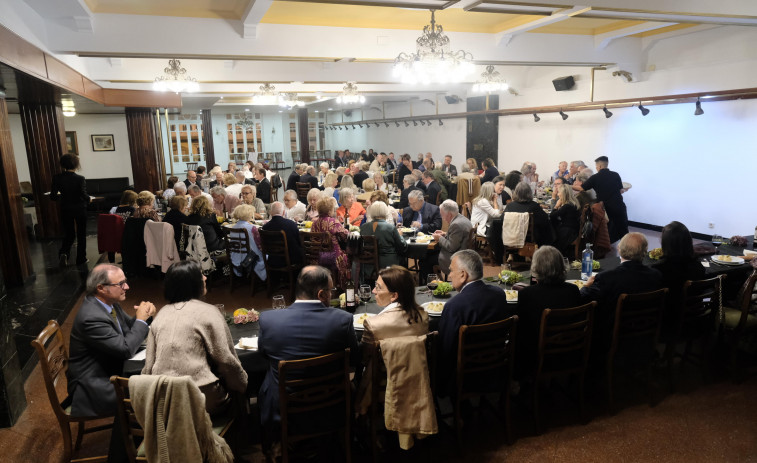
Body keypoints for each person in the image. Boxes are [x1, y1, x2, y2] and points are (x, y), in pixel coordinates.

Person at [258, 266, 359, 430]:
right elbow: (354, 359)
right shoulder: (343, 320)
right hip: (332, 406)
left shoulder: (268, 320)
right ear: (321, 294)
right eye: (331, 290)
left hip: (285, 411)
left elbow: (263, 354)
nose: (332, 293)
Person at [142, 260, 247, 416]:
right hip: (201, 398)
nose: (205, 278)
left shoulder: (161, 315)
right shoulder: (209, 311)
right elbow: (226, 359)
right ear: (191, 283)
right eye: (201, 275)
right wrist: (242, 383)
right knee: (240, 391)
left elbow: (148, 366)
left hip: (166, 403)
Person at [67, 264, 155, 416]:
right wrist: (141, 321)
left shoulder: (109, 303)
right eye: (120, 284)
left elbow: (129, 330)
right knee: (154, 394)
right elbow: (125, 349)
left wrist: (146, 316)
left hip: (109, 367)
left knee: (155, 378)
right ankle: (132, 437)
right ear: (101, 288)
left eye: (125, 281)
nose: (126, 287)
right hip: (92, 386)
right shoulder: (91, 318)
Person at [356, 265, 429, 414]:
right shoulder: (424, 316)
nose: (374, 291)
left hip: (384, 385)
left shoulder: (373, 324)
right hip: (417, 382)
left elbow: (363, 359)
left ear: (394, 296)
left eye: (378, 287)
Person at [437, 250, 511, 392]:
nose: (450, 275)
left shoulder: (454, 306)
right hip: (496, 367)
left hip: (465, 375)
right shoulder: (499, 294)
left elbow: (445, 350)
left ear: (463, 275)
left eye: (451, 271)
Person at [581, 232, 662, 355]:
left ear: (619, 249)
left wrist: (586, 286)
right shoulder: (656, 276)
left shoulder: (607, 278)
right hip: (645, 333)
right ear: (645, 252)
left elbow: (584, 299)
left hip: (610, 336)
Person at [515, 246, 582, 379]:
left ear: (535, 268)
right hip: (571, 351)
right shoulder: (573, 290)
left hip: (538, 356)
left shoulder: (527, 294)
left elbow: (522, 329)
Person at [651, 221, 706, 334]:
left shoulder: (659, 271)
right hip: (694, 321)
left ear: (666, 243)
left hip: (666, 325)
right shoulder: (699, 267)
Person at [575, 156, 628, 242]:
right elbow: (621, 190)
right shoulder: (615, 175)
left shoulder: (595, 177)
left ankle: (607, 249)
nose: (596, 168)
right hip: (619, 206)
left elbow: (581, 188)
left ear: (599, 166)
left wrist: (568, 186)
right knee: (623, 231)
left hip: (606, 208)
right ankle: (629, 250)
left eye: (596, 166)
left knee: (606, 231)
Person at [50, 154, 90, 266]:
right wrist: (89, 199)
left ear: (62, 164)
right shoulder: (80, 179)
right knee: (81, 234)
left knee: (69, 233)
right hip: (79, 209)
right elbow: (83, 194)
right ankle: (81, 259)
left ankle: (64, 252)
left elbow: (53, 196)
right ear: (76, 165)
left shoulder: (56, 178)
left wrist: (63, 197)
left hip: (65, 208)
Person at [311, 197, 351, 288]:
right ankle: (344, 287)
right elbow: (346, 236)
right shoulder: (333, 222)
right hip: (333, 257)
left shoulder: (314, 224)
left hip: (318, 257)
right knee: (351, 257)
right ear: (329, 210)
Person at [360, 201, 407, 271]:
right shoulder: (390, 227)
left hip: (369, 266)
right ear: (386, 212)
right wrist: (400, 235)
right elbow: (402, 246)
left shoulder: (363, 227)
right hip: (389, 266)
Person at [432, 200, 473, 275]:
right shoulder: (462, 218)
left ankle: (432, 282)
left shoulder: (456, 225)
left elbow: (451, 247)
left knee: (428, 259)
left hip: (456, 257)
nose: (442, 218)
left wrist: (439, 238)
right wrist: (445, 234)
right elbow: (458, 236)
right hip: (464, 253)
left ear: (449, 215)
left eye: (442, 215)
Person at [229, 204, 267, 282]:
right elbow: (260, 244)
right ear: (249, 214)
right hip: (250, 257)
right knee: (268, 255)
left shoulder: (233, 227)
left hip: (236, 256)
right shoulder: (252, 228)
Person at [262, 201, 304, 268]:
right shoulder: (291, 224)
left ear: (271, 213)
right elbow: (298, 242)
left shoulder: (265, 227)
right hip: (290, 259)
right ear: (284, 212)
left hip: (272, 260)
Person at [550, 183, 581, 257]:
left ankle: (555, 255)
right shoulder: (573, 203)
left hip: (568, 233)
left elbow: (552, 215)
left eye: (559, 192)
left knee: (550, 233)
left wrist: (556, 206)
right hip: (572, 229)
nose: (558, 195)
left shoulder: (567, 206)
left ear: (563, 194)